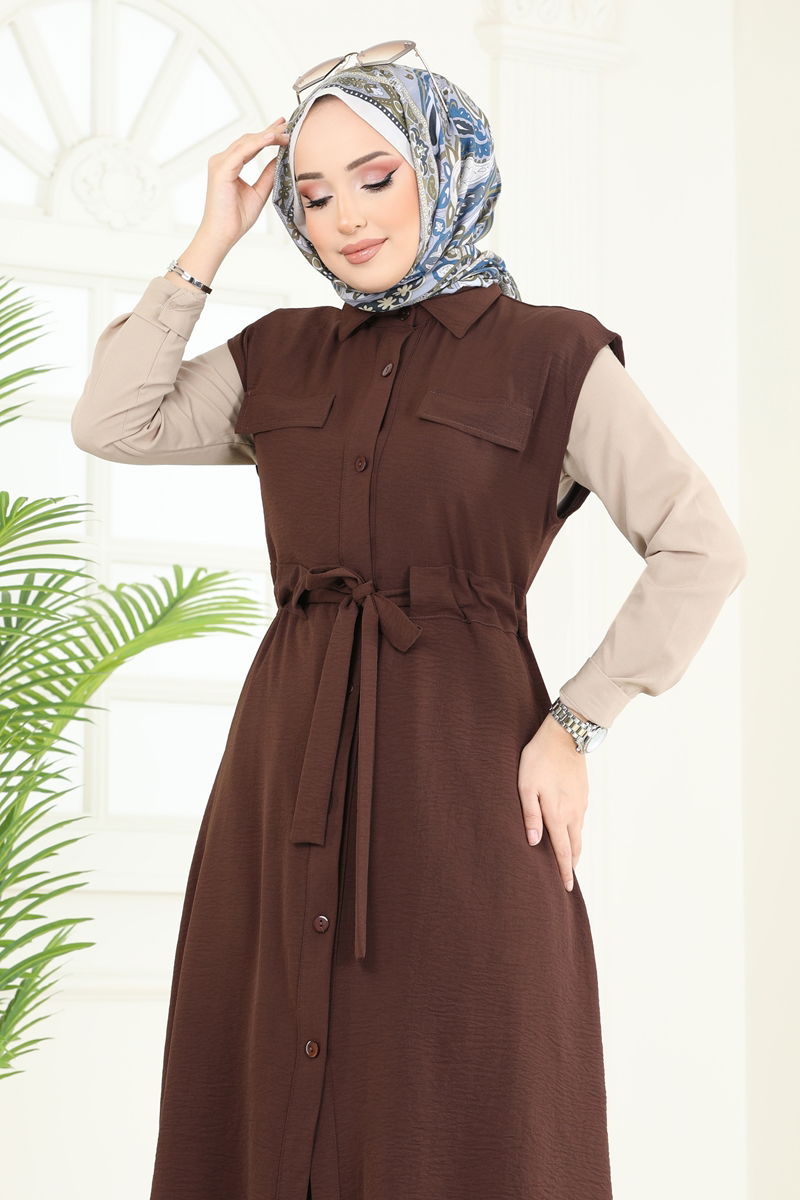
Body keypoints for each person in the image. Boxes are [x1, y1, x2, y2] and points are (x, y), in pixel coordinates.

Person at [71, 44, 747, 1200]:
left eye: (374, 178)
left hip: (462, 783)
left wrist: (575, 725)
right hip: (282, 774)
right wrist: (208, 242)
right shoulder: (278, 356)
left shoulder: (551, 356)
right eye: (311, 195)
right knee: (266, 1086)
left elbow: (701, 546)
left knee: (459, 1090)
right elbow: (111, 422)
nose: (344, 218)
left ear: (443, 166)